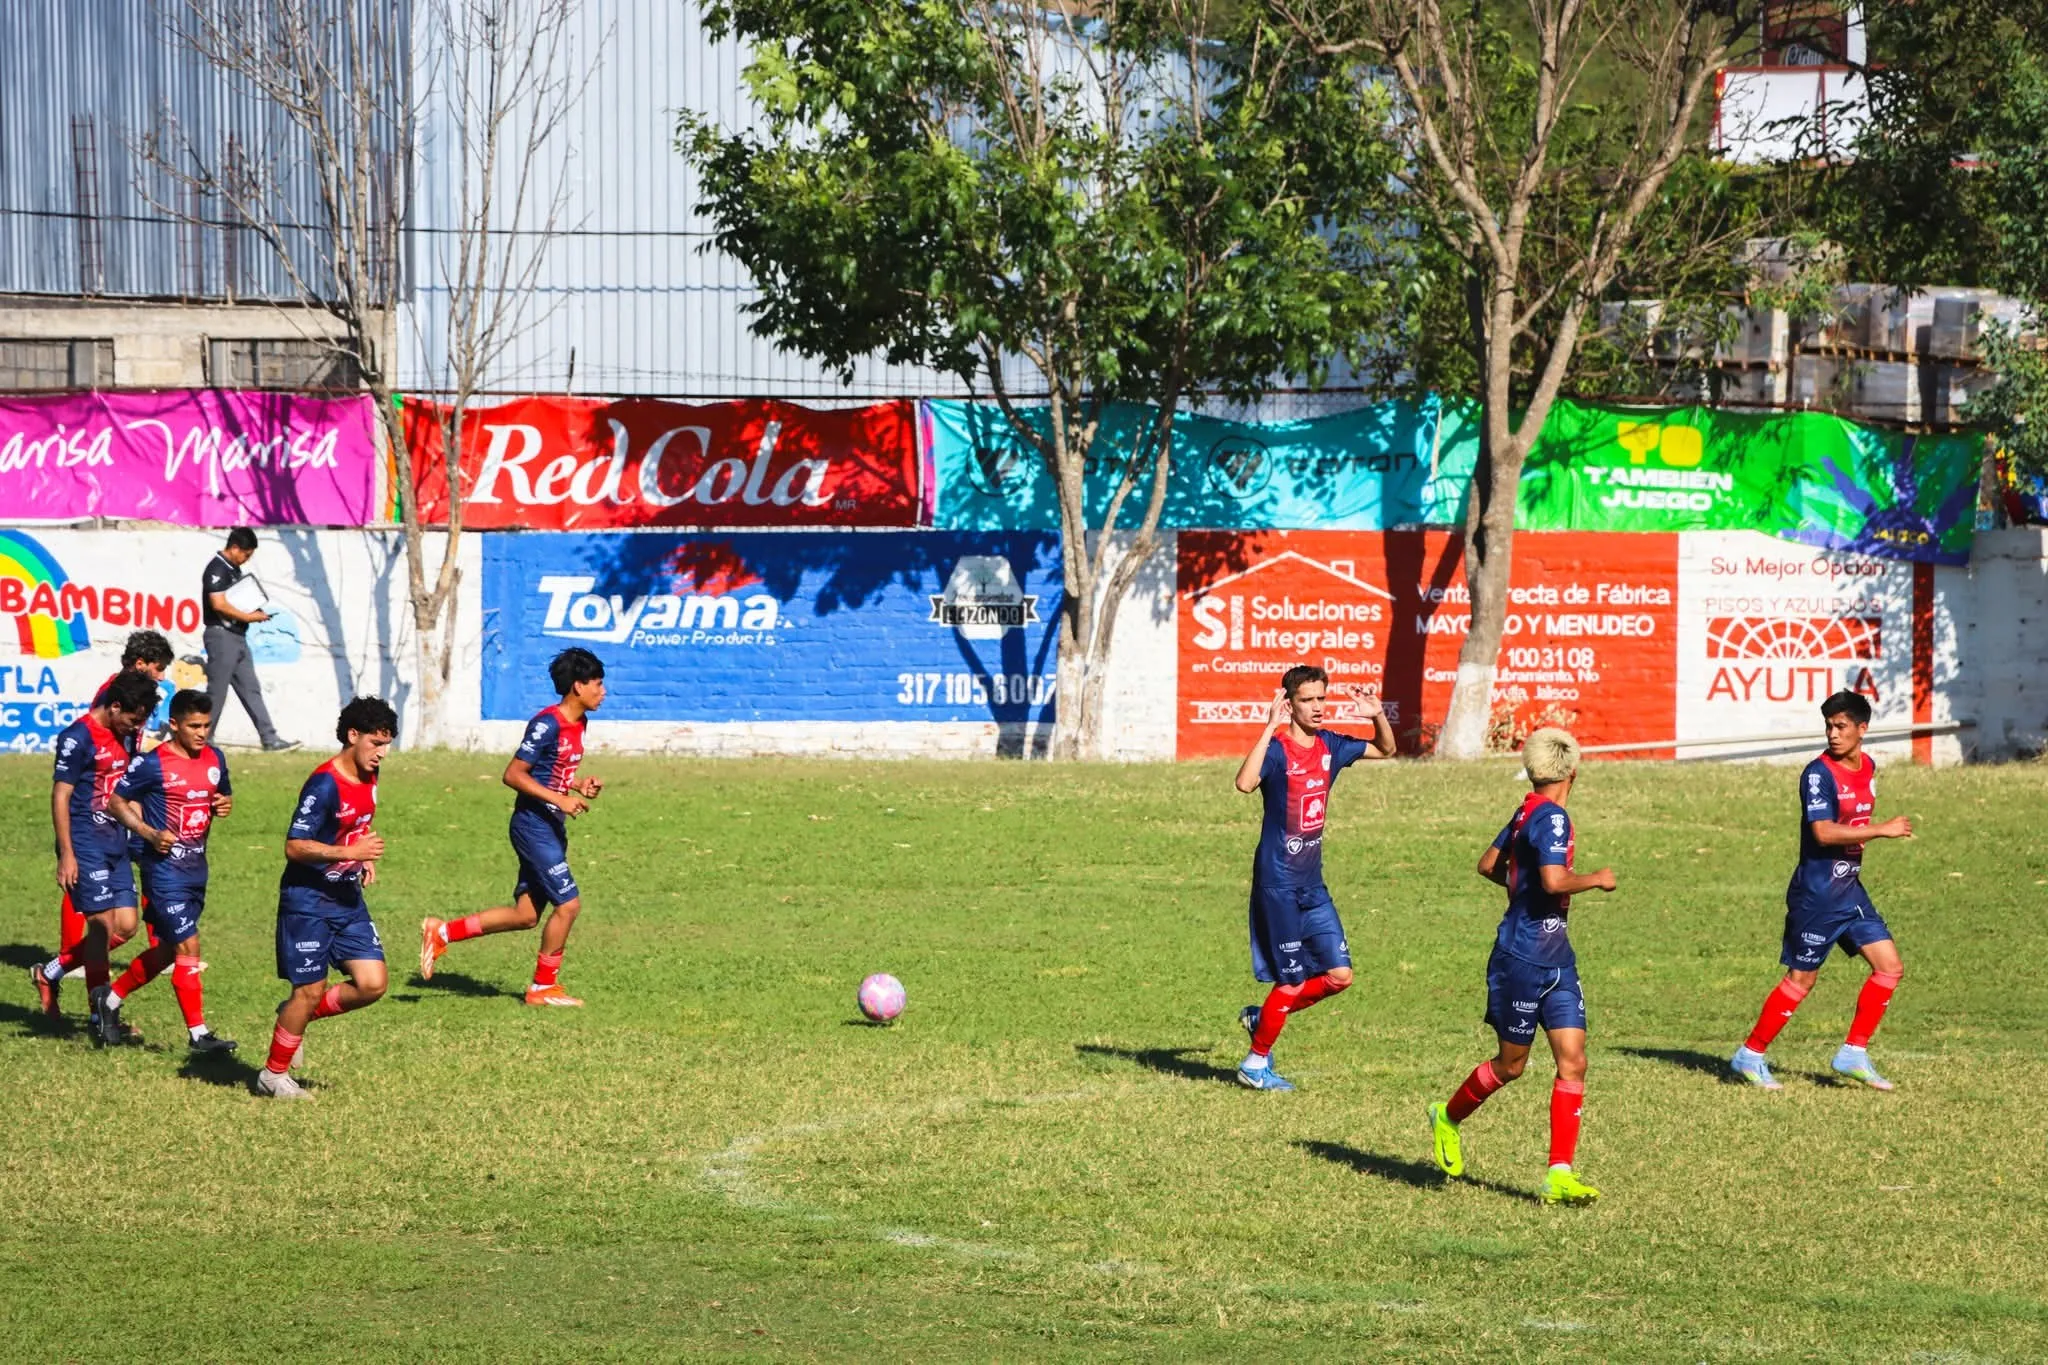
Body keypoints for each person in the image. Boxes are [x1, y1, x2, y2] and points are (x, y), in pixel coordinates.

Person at [1428, 728, 1616, 1207]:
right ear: (1574, 771)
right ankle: (1447, 1117)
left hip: (1558, 959)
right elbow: (1553, 880)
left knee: (1573, 1061)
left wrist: (1523, 890)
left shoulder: (1526, 807)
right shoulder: (1551, 817)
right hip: (1520, 960)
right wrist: (1594, 879)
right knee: (1512, 1065)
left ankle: (1558, 1174)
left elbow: (1489, 865)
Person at [1730, 691, 1913, 1091]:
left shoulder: (1867, 766)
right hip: (1817, 894)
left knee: (1889, 967)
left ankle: (1853, 1053)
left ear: (1862, 729)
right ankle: (1750, 1054)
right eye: (1828, 725)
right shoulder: (1817, 774)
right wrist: (1880, 829)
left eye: (1841, 726)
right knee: (1801, 980)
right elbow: (1823, 832)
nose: (1832, 733)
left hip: (1850, 890)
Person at [1231, 665, 1395, 1091]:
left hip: (1312, 884)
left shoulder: (1331, 746)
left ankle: (1260, 1019)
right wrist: (1269, 727)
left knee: (1340, 976)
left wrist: (1376, 714)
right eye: (1308, 700)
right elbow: (1245, 783)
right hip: (1277, 882)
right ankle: (1254, 1064)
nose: (1318, 707)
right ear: (1290, 704)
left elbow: (1386, 749)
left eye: (1322, 698)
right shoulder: (1277, 750)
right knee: (1292, 980)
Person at [420, 648, 606, 1006]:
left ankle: (442, 932)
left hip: (550, 826)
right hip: (533, 826)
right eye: (597, 684)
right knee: (568, 906)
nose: (603, 692)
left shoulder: (580, 723)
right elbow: (513, 774)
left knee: (526, 915)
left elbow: (551, 772)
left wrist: (577, 785)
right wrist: (560, 800)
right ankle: (542, 988)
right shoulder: (546, 724)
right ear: (577, 686)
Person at [255, 697, 396, 1099]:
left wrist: (361, 856)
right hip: (308, 900)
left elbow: (356, 823)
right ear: (353, 736)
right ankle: (272, 1075)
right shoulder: (323, 784)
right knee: (311, 990)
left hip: (346, 896)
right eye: (376, 743)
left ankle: (292, 1018)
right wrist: (348, 854)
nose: (382, 753)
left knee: (373, 983)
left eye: (387, 744)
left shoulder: (370, 776)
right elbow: (295, 847)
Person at [101, 690, 238, 1052]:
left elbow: (222, 794)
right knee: (189, 944)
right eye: (194, 726)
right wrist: (147, 833)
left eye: (207, 725)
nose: (201, 733)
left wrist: (223, 804)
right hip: (164, 872)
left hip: (197, 868)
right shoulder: (152, 763)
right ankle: (198, 1035)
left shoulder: (215, 758)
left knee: (166, 952)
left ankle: (109, 1000)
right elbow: (115, 802)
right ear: (174, 725)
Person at [29, 671, 161, 1044]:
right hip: (84, 841)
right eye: (134, 719)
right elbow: (61, 796)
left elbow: (127, 788)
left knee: (127, 926)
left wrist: (142, 833)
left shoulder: (128, 734)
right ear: (115, 706)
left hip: (115, 838)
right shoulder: (78, 737)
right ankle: (100, 1018)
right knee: (101, 928)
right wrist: (67, 854)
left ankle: (51, 971)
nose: (137, 727)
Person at [58, 630, 176, 960]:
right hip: (99, 810)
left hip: (125, 797)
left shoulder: (137, 699)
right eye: (159, 668)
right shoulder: (111, 697)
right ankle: (71, 954)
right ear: (140, 664)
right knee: (80, 880)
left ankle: (159, 946)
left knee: (152, 858)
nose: (163, 676)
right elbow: (94, 754)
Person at [202, 527, 297, 752]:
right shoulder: (217, 569)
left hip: (238, 636)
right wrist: (249, 616)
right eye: (245, 554)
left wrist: (253, 612)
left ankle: (270, 738)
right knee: (217, 691)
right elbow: (219, 604)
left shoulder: (233, 570)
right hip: (221, 636)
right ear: (234, 548)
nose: (246, 559)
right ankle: (204, 739)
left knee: (251, 689)